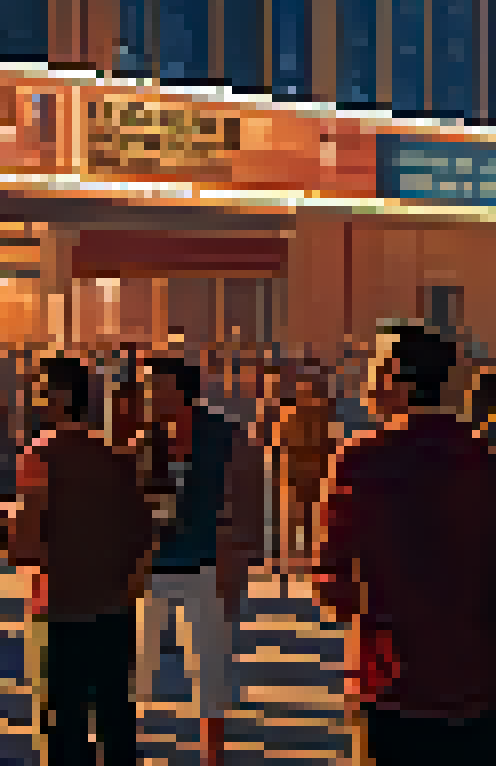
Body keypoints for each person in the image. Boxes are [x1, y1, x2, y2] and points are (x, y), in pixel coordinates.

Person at [313, 324, 496, 762]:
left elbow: (332, 582)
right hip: (478, 678)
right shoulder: (482, 461)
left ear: (397, 375)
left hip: (392, 678)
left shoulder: (361, 462)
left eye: (377, 369)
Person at [11, 355, 155, 766]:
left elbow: (26, 544)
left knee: (64, 718)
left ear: (57, 398)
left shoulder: (41, 455)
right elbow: (144, 538)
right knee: (115, 710)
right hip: (113, 604)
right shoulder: (119, 459)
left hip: (62, 602)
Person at [136, 354, 263, 766]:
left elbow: (248, 500)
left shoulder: (225, 436)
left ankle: (213, 757)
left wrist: (240, 559)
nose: (151, 395)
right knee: (135, 669)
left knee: (210, 668)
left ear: (180, 390)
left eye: (158, 387)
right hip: (150, 567)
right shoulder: (144, 440)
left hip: (207, 565)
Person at [268, 369, 336, 575]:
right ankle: (287, 558)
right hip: (298, 475)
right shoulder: (292, 416)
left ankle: (307, 558)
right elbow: (280, 446)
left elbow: (328, 446)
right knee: (294, 520)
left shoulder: (320, 417)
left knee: (308, 520)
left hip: (311, 475)